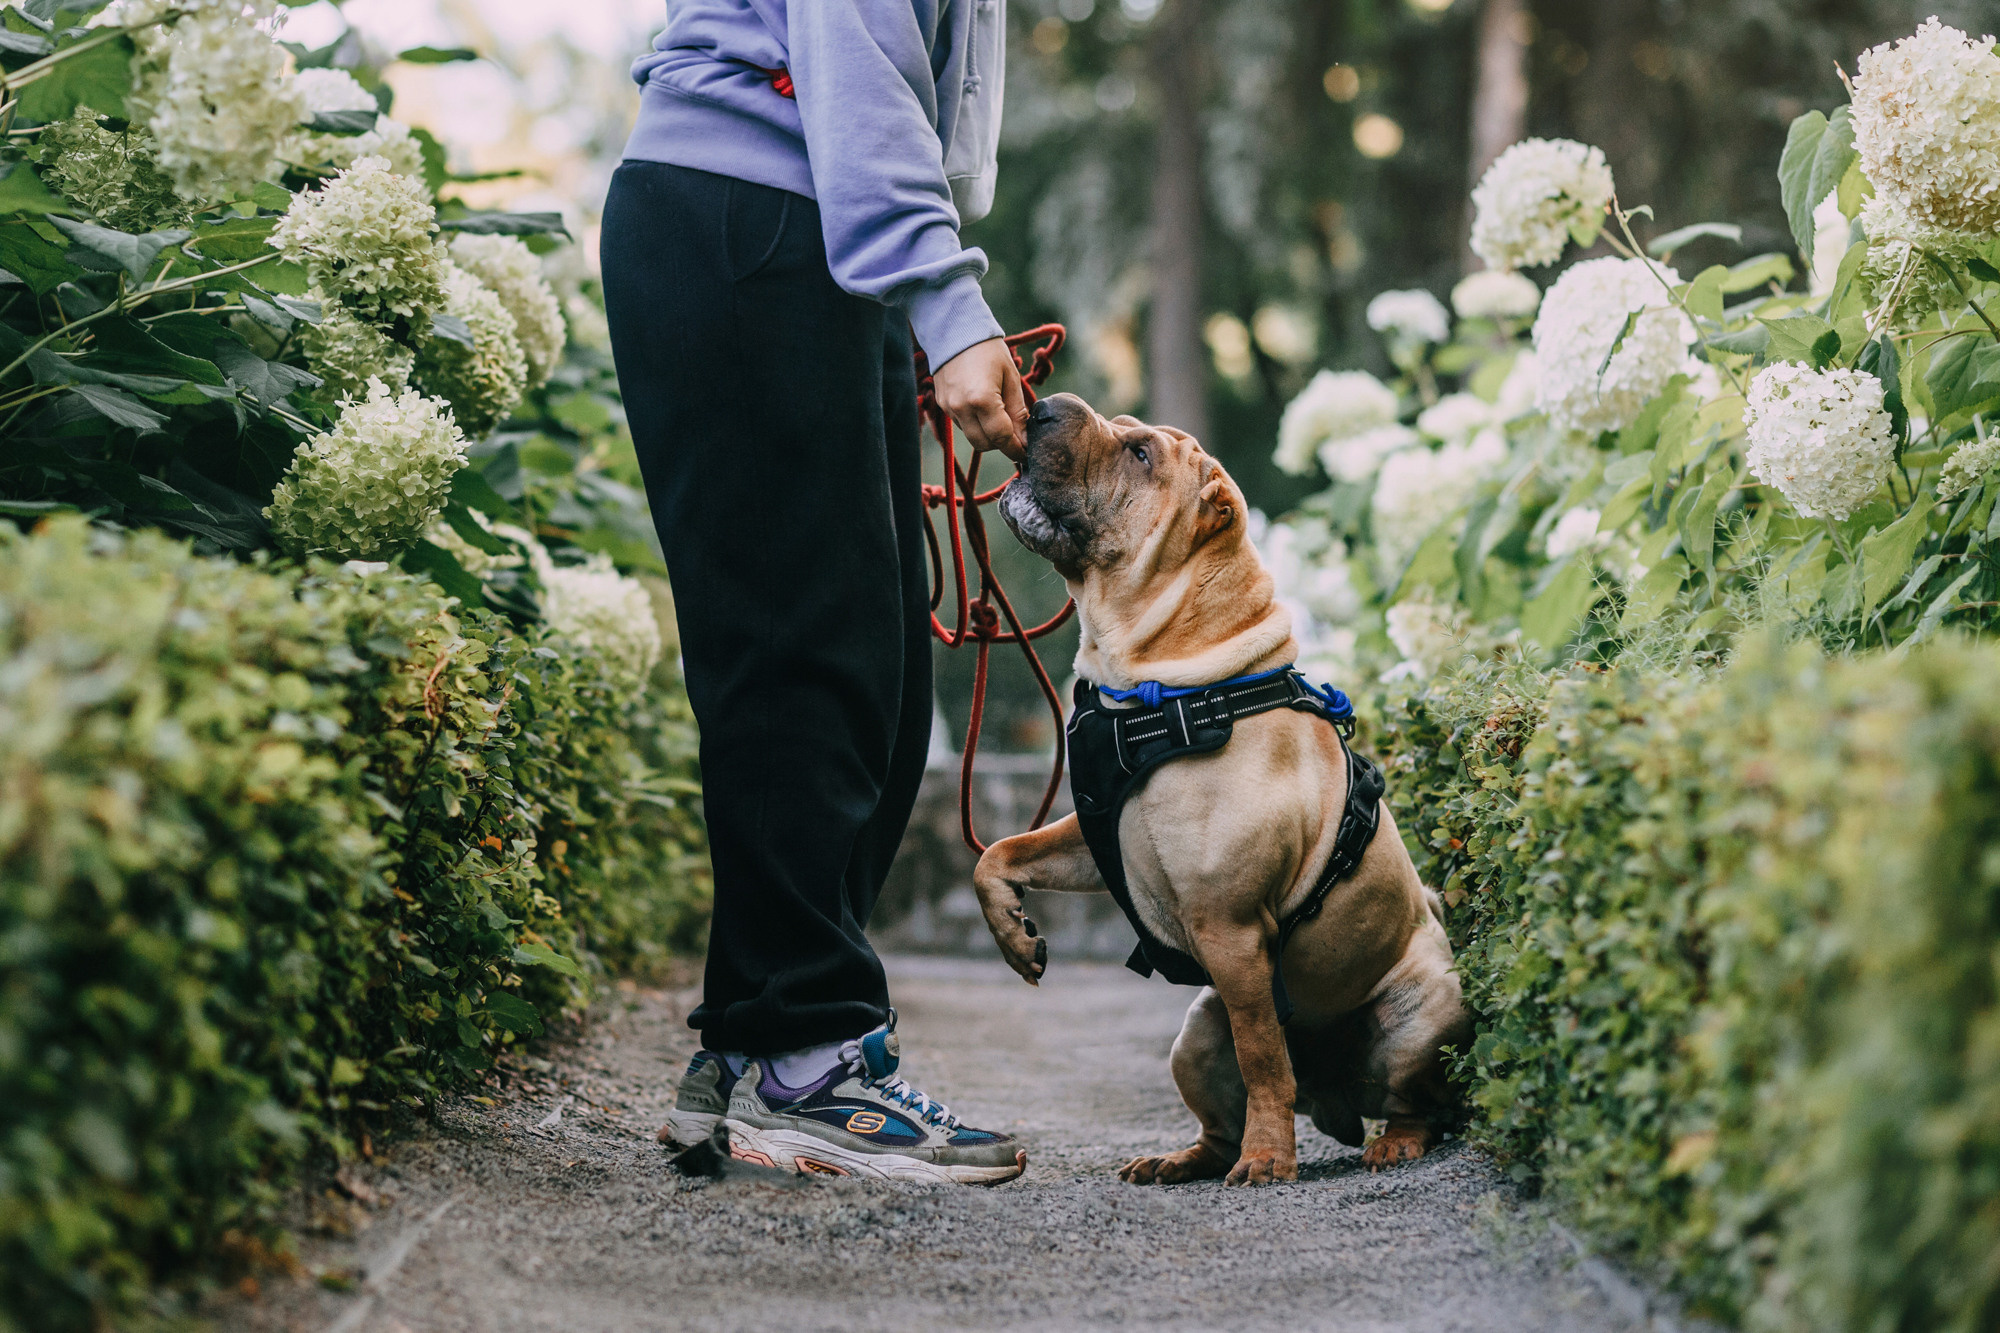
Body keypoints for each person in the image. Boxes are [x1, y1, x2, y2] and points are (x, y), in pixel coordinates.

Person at [599, 0, 1029, 1184]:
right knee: (802, 657)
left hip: (803, 238)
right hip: (749, 220)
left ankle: (754, 1044)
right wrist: (944, 303)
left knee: (870, 671)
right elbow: (855, 58)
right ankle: (808, 1056)